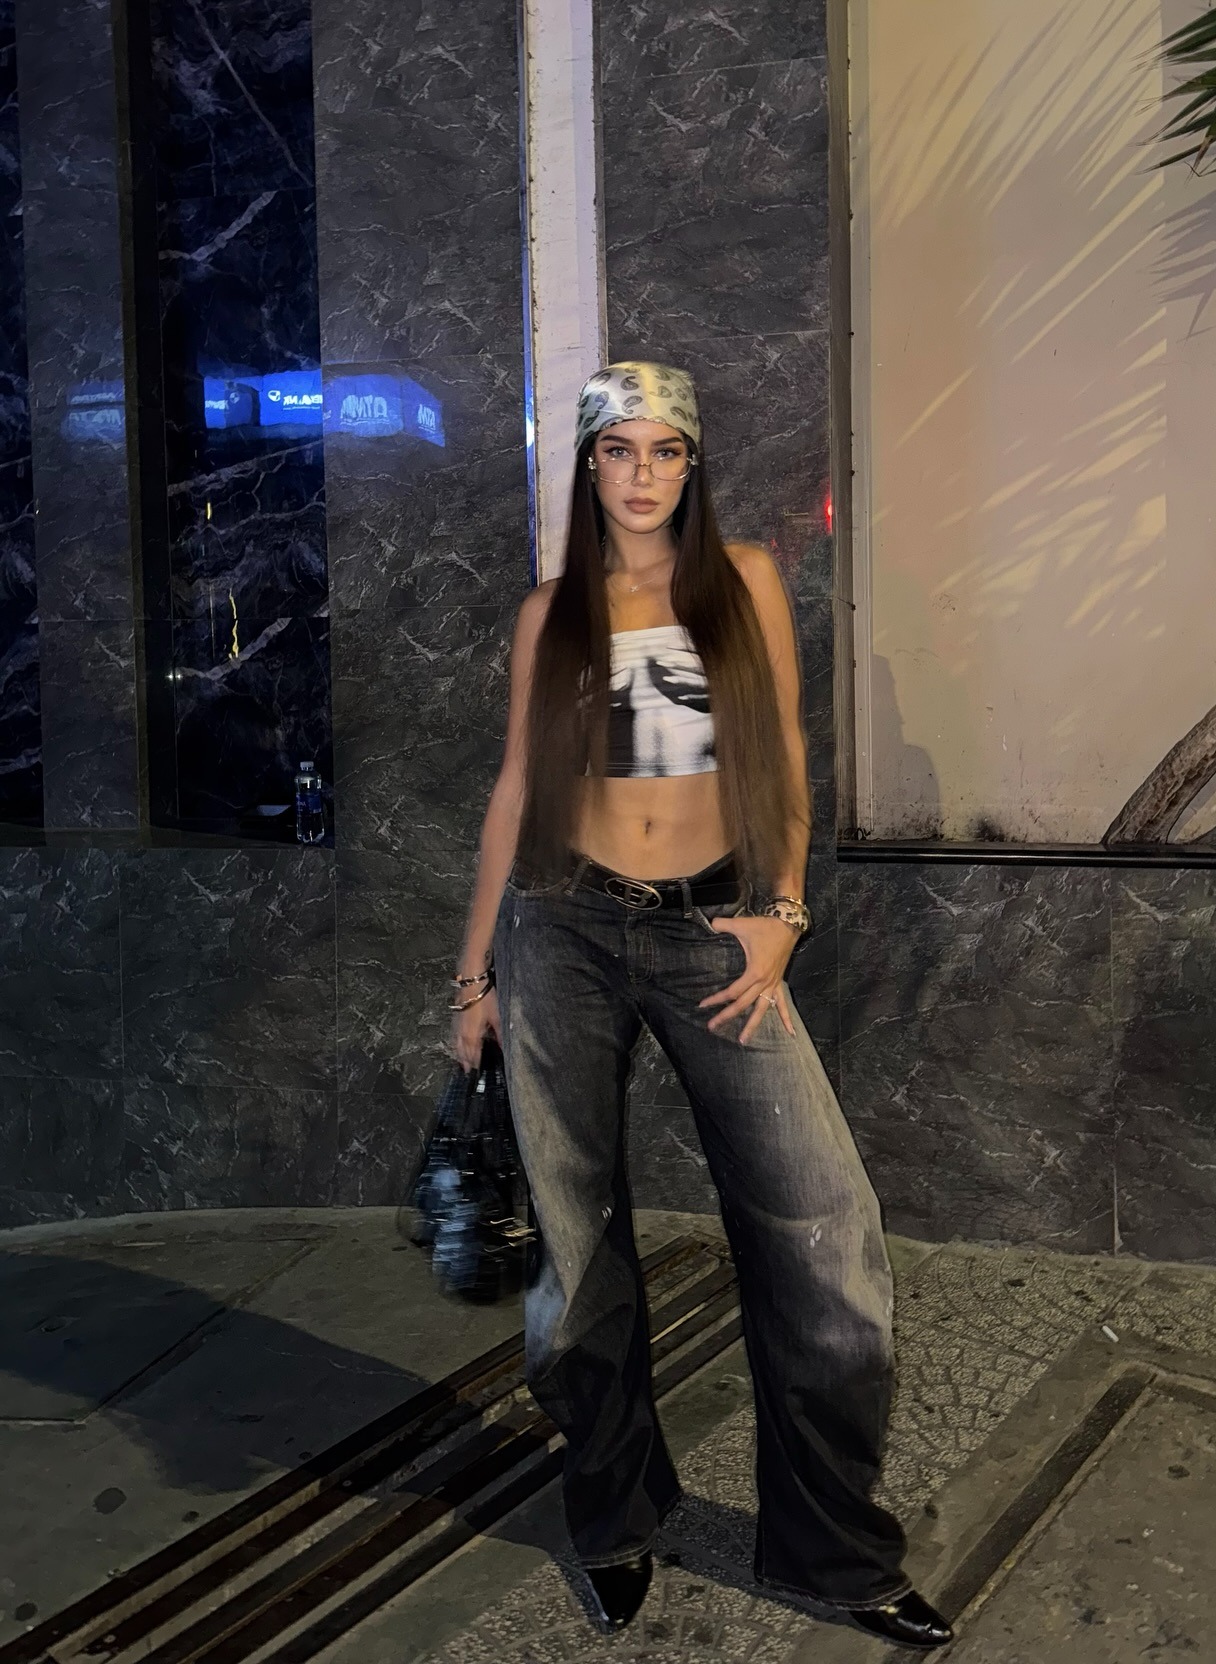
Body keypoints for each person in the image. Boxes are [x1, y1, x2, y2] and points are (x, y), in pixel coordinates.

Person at [450, 362, 951, 1651]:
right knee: (574, 1245)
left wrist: (780, 912)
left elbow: (781, 751)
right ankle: (616, 1517)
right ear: (589, 465)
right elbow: (514, 789)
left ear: (693, 463)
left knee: (823, 1226)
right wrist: (473, 977)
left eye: (665, 450)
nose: (644, 474)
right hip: (561, 927)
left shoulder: (744, 581)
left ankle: (832, 1550)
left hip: (712, 930)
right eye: (620, 450)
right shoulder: (552, 611)